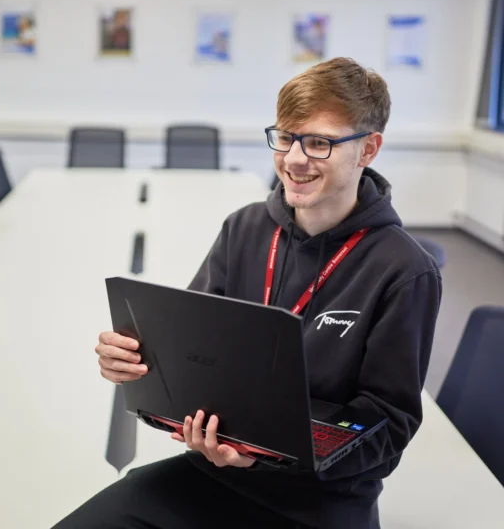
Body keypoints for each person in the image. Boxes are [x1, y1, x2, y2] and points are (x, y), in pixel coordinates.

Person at [53, 57, 442, 529]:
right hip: (212, 476)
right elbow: (191, 355)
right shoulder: (244, 228)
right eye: (285, 138)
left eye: (319, 143)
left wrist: (266, 456)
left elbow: (387, 431)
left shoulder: (404, 270)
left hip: (318, 502)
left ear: (368, 149)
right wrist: (135, 363)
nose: (295, 159)